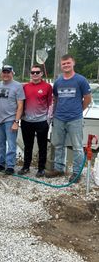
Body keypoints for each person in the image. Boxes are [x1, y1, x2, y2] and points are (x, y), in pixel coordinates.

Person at [46, 54, 92, 182]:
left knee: (77, 146)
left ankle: (77, 173)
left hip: (75, 119)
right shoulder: (59, 81)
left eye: (68, 63)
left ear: (73, 63)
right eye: (64, 63)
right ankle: (59, 169)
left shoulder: (80, 80)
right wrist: (54, 115)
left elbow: (88, 99)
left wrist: (79, 110)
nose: (66, 65)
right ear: (61, 65)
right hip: (59, 118)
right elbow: (55, 98)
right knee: (58, 145)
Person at [18, 64, 53, 177]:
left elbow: (50, 103)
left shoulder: (47, 87)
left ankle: (41, 168)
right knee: (28, 145)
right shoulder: (25, 87)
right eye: (33, 72)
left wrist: (48, 118)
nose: (35, 74)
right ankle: (26, 167)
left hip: (41, 122)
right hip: (26, 121)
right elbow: (20, 103)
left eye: (37, 72)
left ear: (41, 73)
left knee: (42, 146)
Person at [0, 65, 25, 175]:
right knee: (0, 144)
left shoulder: (17, 86)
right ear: (1, 73)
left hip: (11, 119)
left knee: (11, 144)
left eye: (8, 72)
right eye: (4, 72)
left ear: (12, 73)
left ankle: (10, 165)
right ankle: (1, 163)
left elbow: (20, 105)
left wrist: (16, 122)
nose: (6, 74)